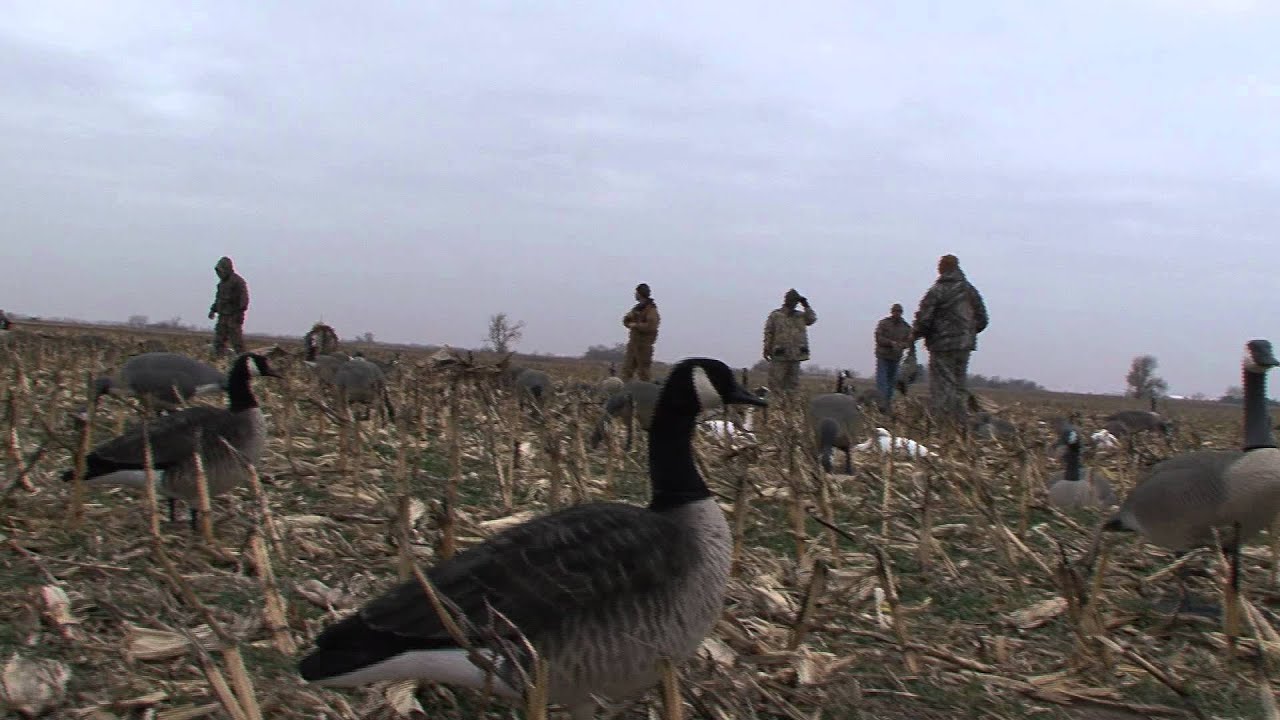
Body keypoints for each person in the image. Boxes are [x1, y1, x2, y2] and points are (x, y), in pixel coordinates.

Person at [912, 254, 988, 423]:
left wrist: (914, 336)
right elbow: (983, 319)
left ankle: (942, 425)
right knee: (959, 386)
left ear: (942, 268)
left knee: (942, 387)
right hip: (965, 346)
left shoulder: (936, 291)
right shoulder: (969, 290)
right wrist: (968, 333)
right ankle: (960, 423)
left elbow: (924, 319)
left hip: (942, 346)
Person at [762, 289, 817, 395]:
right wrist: (766, 348)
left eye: (796, 301)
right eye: (792, 300)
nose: (794, 303)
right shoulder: (776, 315)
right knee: (776, 383)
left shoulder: (801, 316)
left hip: (796, 354)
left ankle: (789, 406)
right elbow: (769, 332)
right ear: (786, 300)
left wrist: (806, 306)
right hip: (780, 353)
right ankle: (776, 405)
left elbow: (812, 319)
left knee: (792, 384)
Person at [873, 303, 914, 411]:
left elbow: (909, 342)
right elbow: (878, 337)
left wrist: (901, 345)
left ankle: (887, 405)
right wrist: (891, 343)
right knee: (882, 382)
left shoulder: (906, 327)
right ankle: (881, 404)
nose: (897, 313)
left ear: (901, 313)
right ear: (892, 312)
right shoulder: (884, 323)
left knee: (891, 383)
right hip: (883, 356)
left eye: (899, 312)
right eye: (895, 311)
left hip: (895, 358)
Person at [208, 256, 249, 358]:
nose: (219, 274)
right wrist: (213, 310)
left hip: (233, 317)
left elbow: (244, 299)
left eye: (221, 271)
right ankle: (219, 360)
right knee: (218, 341)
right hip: (222, 316)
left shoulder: (238, 282)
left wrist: (240, 313)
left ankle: (243, 361)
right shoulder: (221, 284)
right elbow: (219, 299)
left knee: (237, 343)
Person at [621, 283, 660, 381]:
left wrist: (636, 325)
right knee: (627, 371)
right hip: (633, 343)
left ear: (640, 293)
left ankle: (647, 394)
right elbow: (626, 321)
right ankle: (625, 392)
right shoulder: (636, 309)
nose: (635, 294)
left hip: (644, 346)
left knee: (644, 373)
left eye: (636, 292)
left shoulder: (651, 310)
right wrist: (630, 321)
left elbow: (651, 326)